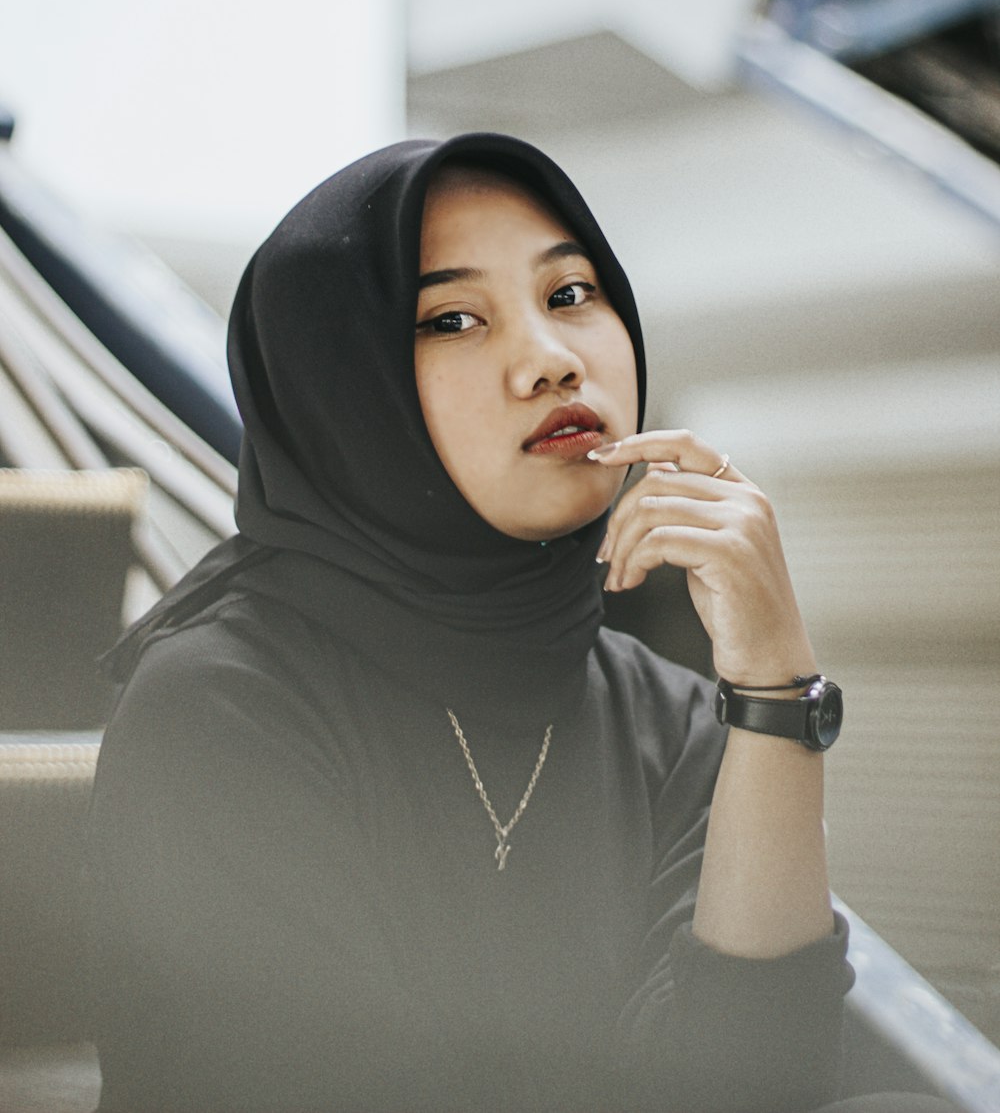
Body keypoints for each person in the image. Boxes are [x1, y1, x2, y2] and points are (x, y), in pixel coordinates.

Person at [86, 132, 948, 1113]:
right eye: (452, 318)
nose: (549, 358)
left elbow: (758, 1086)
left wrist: (775, 692)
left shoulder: (672, 714)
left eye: (571, 294)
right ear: (341, 388)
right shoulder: (223, 705)